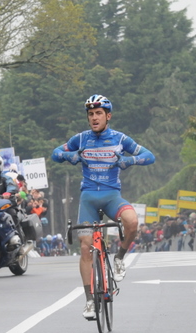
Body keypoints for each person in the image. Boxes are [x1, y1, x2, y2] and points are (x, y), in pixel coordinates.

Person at [51, 94, 155, 319]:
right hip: (88, 198)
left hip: (111, 198)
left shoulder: (120, 139)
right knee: (86, 247)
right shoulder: (80, 139)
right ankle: (89, 301)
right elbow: (55, 154)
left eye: (99, 113)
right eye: (90, 114)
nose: (94, 118)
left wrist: (130, 160)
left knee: (132, 221)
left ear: (108, 116)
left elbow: (150, 156)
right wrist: (71, 156)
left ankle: (119, 258)